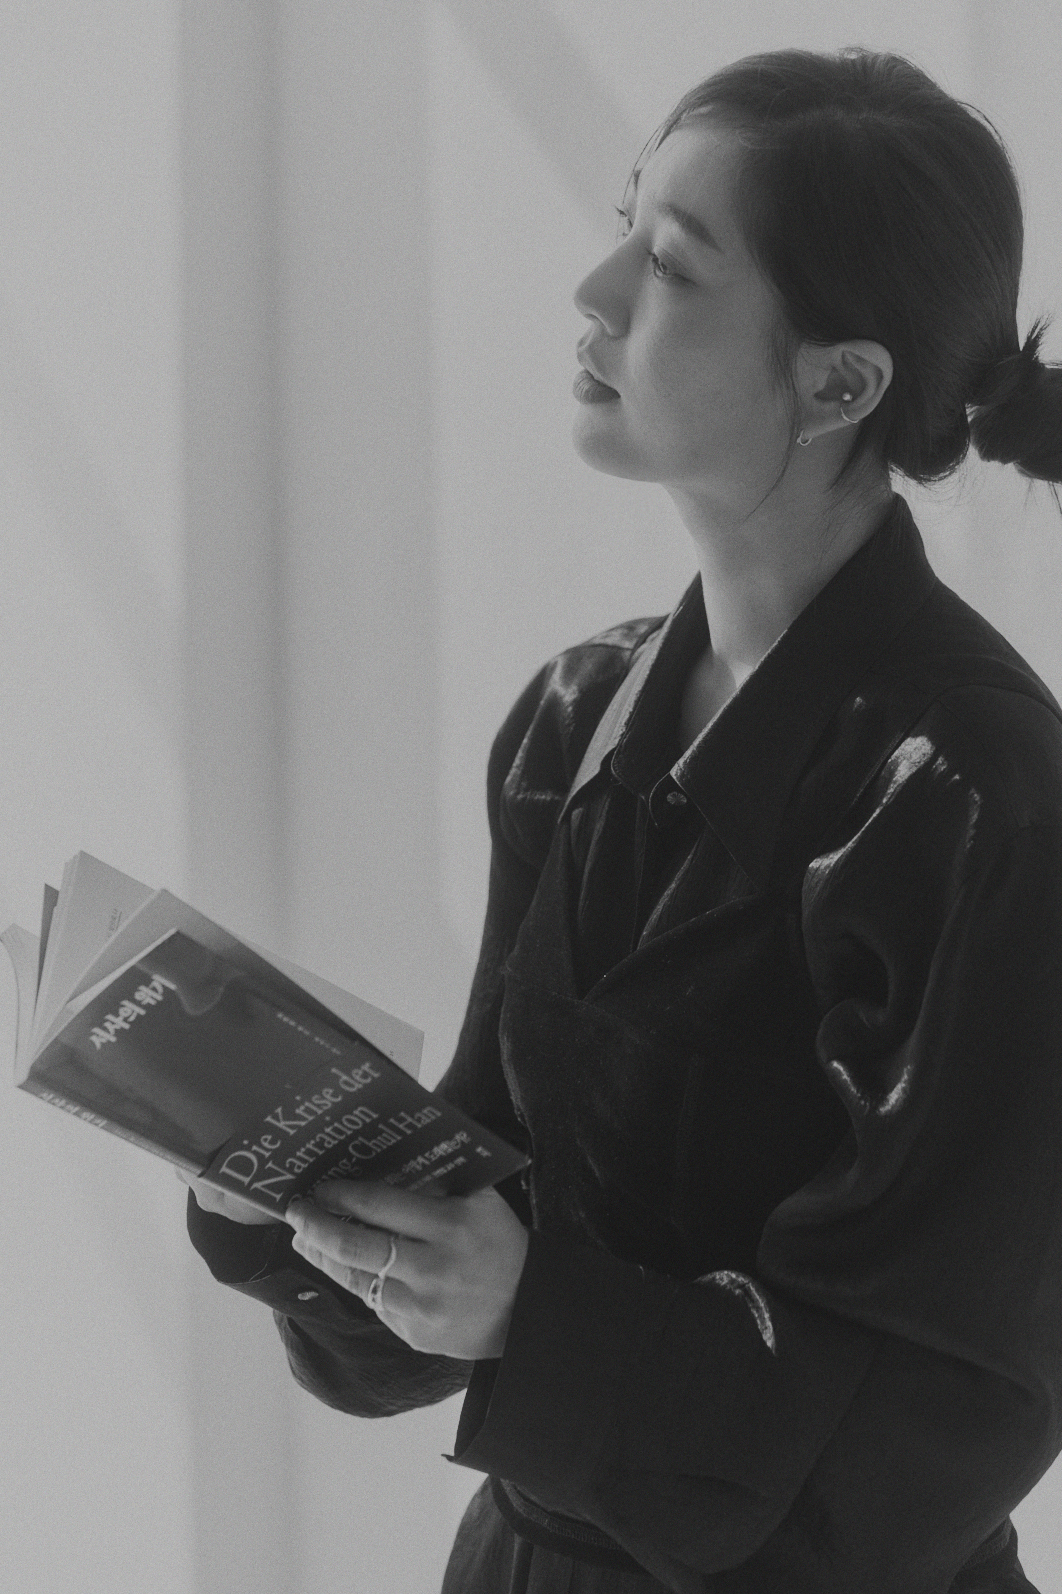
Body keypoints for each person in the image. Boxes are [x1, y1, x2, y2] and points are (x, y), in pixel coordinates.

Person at [183, 46, 1062, 1594]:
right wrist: (274, 1173)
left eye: (668, 263)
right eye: (621, 227)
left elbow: (936, 1417)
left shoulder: (976, 794)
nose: (590, 293)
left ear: (839, 382)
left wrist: (533, 1314)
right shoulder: (569, 717)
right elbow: (484, 1231)